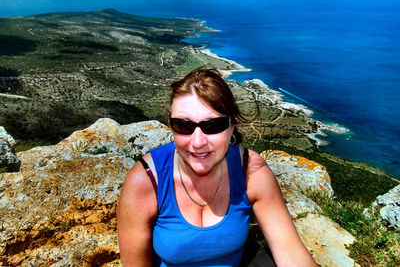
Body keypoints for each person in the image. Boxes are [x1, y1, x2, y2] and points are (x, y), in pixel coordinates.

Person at [117, 67, 317, 266]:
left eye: (212, 126)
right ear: (171, 125)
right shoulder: (148, 180)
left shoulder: (250, 171)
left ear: (231, 127)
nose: (197, 142)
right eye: (184, 126)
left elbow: (290, 252)